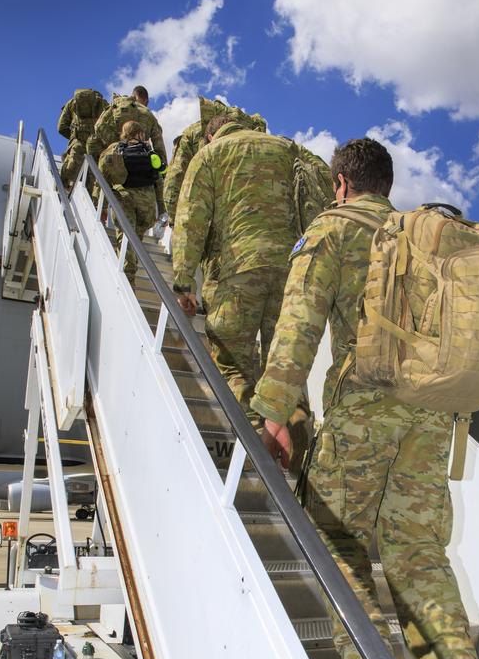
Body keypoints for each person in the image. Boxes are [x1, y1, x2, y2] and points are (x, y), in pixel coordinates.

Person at [250, 138, 479, 659]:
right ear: (386, 184)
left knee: (337, 539)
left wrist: (272, 411)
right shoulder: (423, 237)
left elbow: (299, 323)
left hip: (366, 408)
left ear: (340, 182)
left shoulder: (333, 229)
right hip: (435, 412)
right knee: (417, 548)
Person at [172, 114, 318, 436]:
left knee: (231, 359)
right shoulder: (286, 147)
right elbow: (320, 183)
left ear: (211, 135)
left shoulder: (210, 155)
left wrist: (184, 282)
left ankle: (252, 435)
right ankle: (294, 417)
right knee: (280, 362)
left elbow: (190, 221)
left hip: (241, 271)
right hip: (290, 270)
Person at [164, 96, 267, 227]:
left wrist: (175, 220)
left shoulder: (193, 133)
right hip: (254, 219)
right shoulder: (255, 135)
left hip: (208, 217)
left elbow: (174, 179)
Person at [98, 120, 165, 288]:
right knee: (134, 240)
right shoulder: (149, 152)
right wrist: (162, 210)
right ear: (140, 134)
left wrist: (103, 206)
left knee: (126, 239)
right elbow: (159, 180)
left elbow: (102, 176)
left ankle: (127, 281)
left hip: (123, 198)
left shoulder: (114, 149)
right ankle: (128, 269)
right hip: (146, 205)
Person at [88, 85, 167, 219]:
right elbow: (159, 143)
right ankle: (162, 213)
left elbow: (98, 127)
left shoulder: (117, 107)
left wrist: (113, 144)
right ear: (146, 100)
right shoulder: (148, 113)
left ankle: (99, 206)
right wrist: (161, 166)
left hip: (116, 157)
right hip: (140, 162)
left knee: (104, 170)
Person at [57, 88, 107, 191]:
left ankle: (63, 185)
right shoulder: (101, 103)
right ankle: (89, 194)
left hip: (77, 141)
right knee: (94, 170)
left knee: (72, 164)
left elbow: (61, 127)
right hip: (96, 143)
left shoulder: (72, 102)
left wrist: (73, 137)